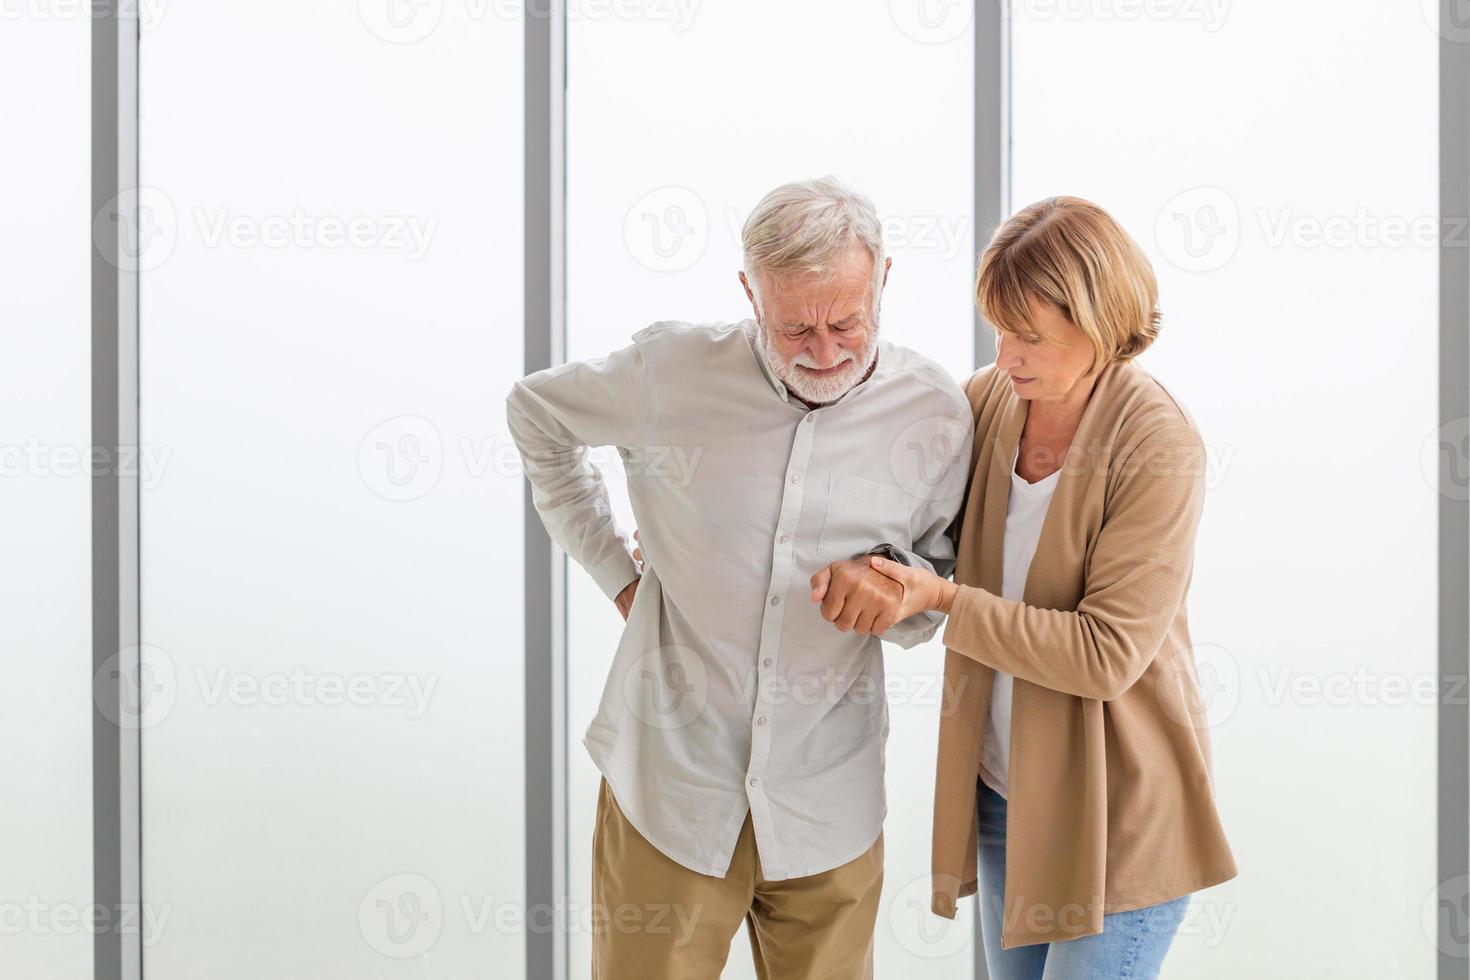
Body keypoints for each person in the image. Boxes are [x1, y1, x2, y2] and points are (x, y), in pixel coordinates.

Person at [506, 177, 973, 978]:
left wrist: (895, 592)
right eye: (794, 324)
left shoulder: (934, 415)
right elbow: (535, 414)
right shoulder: (669, 371)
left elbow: (938, 587)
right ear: (748, 291)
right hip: (671, 792)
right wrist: (620, 574)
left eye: (847, 323)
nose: (823, 352)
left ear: (885, 281)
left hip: (829, 806)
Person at [814, 196, 1238, 979]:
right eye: (1000, 329)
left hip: (1120, 813)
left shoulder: (1157, 441)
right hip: (1009, 796)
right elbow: (920, 536)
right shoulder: (989, 403)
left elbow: (1105, 655)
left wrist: (943, 603)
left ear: (1103, 322)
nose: (1005, 356)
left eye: (1030, 335)